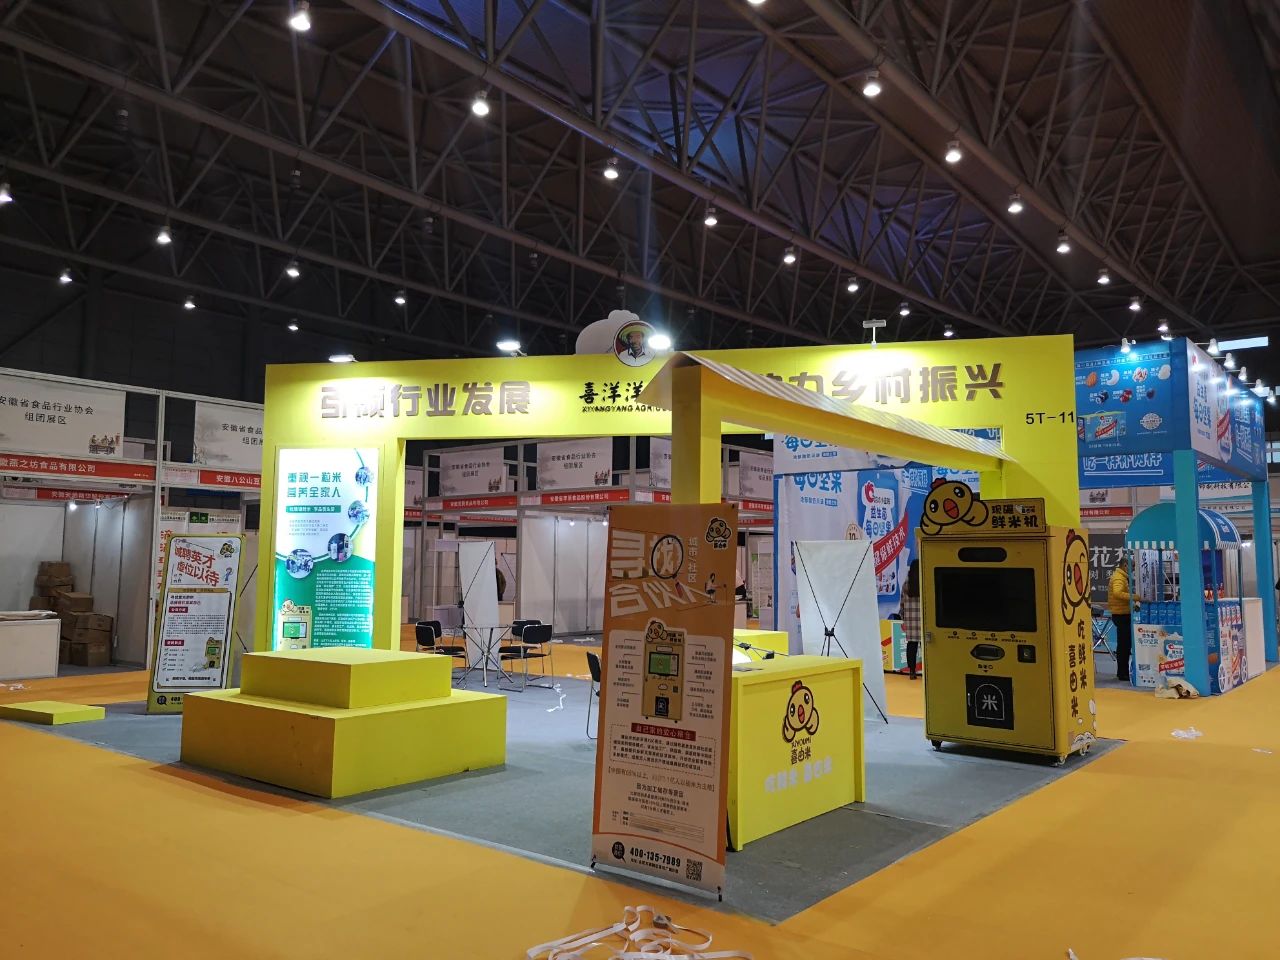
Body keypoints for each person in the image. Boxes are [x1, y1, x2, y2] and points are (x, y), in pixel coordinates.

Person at [1108, 556, 1135, 682]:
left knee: (1124, 645)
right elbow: (1117, 593)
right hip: (1121, 615)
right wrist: (1135, 597)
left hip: (1122, 613)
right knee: (1124, 646)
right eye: (1132, 566)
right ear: (1125, 565)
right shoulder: (1119, 577)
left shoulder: (1121, 577)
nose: (1133, 569)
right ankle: (1122, 673)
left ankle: (1123, 672)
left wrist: (1132, 605)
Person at [900, 559, 922, 680]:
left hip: (910, 621)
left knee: (911, 645)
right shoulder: (924, 582)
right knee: (926, 647)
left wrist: (903, 618)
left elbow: (902, 604)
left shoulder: (906, 585)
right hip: (923, 620)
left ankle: (912, 672)